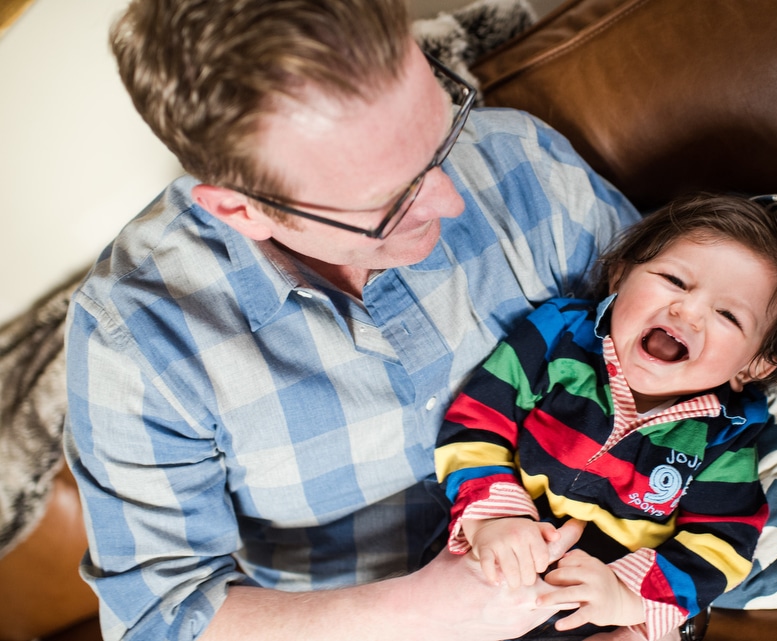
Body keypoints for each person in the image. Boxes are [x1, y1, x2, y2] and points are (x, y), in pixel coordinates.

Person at [60, 1, 640, 640]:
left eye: (441, 135)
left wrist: (646, 609)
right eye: (389, 201)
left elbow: (711, 353)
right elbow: (156, 618)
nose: (451, 199)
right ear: (241, 210)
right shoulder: (137, 339)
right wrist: (422, 611)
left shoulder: (519, 163)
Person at [435, 194, 777, 641]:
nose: (687, 311)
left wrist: (627, 594)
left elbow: (721, 543)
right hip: (499, 543)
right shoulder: (557, 339)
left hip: (610, 598)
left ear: (753, 366)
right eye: (675, 280)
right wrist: (495, 516)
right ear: (619, 275)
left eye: (728, 314)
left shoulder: (723, 438)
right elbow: (478, 420)